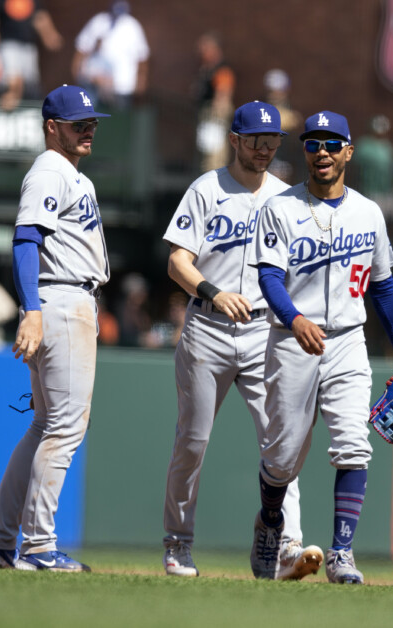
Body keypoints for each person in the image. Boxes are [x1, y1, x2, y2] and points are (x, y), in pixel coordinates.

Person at [251, 110, 393, 584]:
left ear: (348, 151)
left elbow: (384, 288)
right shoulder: (280, 208)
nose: (320, 152)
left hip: (348, 340)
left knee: (353, 447)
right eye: (312, 144)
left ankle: (342, 553)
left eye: (330, 144)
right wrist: (294, 317)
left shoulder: (369, 212)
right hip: (291, 340)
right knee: (282, 456)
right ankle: (270, 523)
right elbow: (267, 276)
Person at [160, 101, 322, 580]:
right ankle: (178, 541)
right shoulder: (207, 188)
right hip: (208, 326)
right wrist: (212, 290)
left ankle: (285, 543)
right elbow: (177, 262)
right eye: (255, 140)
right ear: (234, 139)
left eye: (271, 140)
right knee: (192, 442)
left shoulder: (289, 196)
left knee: (283, 442)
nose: (264, 148)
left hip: (263, 330)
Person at [0, 84, 110, 572]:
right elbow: (25, 240)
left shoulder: (69, 173)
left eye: (92, 122)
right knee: (64, 427)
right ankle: (38, 548)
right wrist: (30, 309)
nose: (89, 129)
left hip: (65, 298)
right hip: (61, 298)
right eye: (79, 123)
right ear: (52, 127)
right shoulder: (51, 169)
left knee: (43, 425)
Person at [0, 0, 63, 109]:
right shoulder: (1, 2)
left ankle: (26, 110)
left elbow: (41, 18)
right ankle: (5, 109)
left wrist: (49, 35)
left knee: (30, 84)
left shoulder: (34, 2)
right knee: (13, 81)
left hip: (29, 46)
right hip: (8, 45)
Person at [72, 1, 150, 109]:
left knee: (118, 120)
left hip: (122, 87)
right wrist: (78, 76)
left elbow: (142, 56)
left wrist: (141, 81)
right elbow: (82, 48)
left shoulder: (132, 26)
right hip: (94, 87)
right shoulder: (98, 21)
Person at [193, 32, 235, 173]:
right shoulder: (206, 69)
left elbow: (223, 95)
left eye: (204, 48)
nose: (201, 52)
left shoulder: (221, 69)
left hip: (214, 117)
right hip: (205, 116)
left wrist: (216, 117)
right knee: (205, 155)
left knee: (214, 158)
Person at [350, 114, 393, 223]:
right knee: (369, 220)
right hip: (368, 191)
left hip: (386, 191)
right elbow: (354, 167)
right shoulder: (364, 145)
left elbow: (391, 167)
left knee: (385, 221)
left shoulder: (387, 146)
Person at [263, 68, 304, 184]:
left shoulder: (291, 108)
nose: (274, 94)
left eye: (278, 90)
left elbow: (295, 121)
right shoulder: (261, 107)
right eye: (271, 90)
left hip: (284, 159)